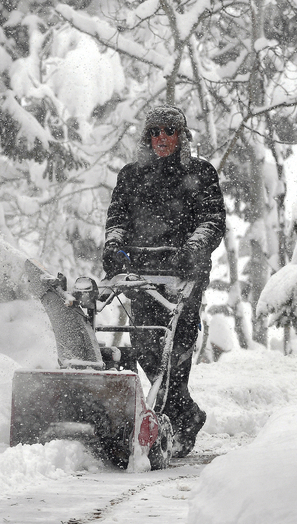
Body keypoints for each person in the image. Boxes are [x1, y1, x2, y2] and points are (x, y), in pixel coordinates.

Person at [101, 105, 226, 458]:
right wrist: (113, 246)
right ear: (147, 137)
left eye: (169, 131)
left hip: (183, 273)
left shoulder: (200, 173)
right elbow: (117, 219)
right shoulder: (131, 176)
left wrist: (194, 247)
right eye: (155, 132)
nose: (161, 138)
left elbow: (212, 220)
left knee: (177, 346)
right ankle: (183, 415)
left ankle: (174, 417)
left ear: (181, 136)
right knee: (145, 345)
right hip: (141, 273)